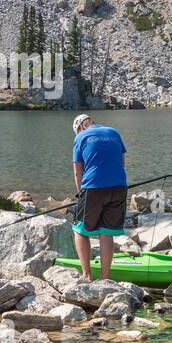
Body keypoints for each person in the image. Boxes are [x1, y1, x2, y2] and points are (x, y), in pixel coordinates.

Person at [71, 114, 127, 281]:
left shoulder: (81, 137)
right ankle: (104, 279)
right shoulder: (114, 132)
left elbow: (77, 171)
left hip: (93, 188)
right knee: (106, 232)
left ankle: (87, 276)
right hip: (119, 187)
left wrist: (80, 193)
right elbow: (122, 161)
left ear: (80, 127)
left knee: (80, 230)